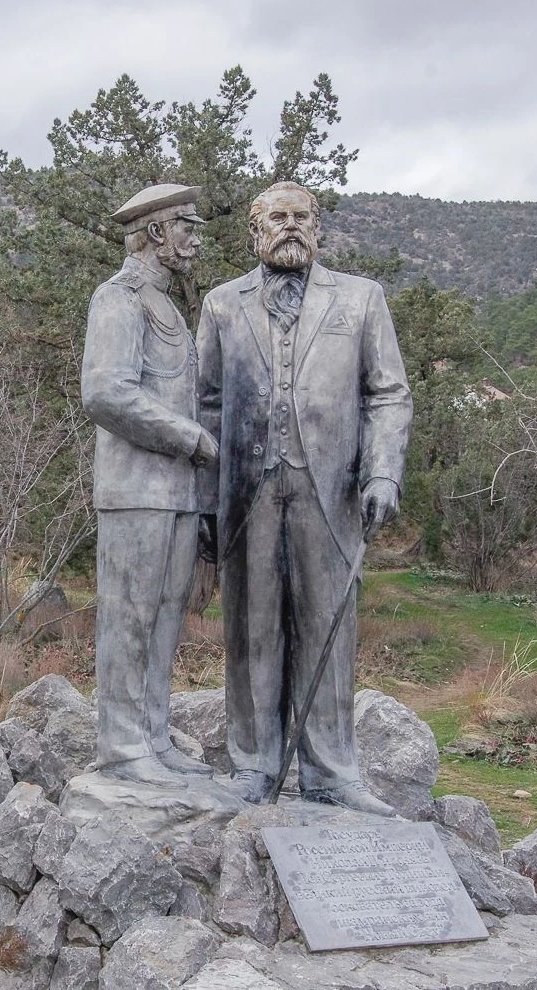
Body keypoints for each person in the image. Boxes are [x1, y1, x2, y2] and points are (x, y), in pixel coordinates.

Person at [196, 180, 412, 815]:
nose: (290, 226)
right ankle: (253, 764)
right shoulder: (221, 305)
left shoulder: (362, 299)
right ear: (255, 231)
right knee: (252, 628)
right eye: (278, 217)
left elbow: (388, 394)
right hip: (247, 492)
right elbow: (204, 404)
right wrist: (205, 496)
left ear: (317, 227)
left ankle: (331, 771)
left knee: (328, 625)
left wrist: (383, 474)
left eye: (301, 216)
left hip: (332, 490)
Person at [82, 183, 219, 789]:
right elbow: (105, 392)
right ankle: (120, 745)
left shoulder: (165, 304)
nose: (195, 237)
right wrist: (188, 437)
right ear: (157, 231)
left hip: (176, 493)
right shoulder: (118, 299)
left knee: (165, 616)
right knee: (129, 617)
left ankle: (153, 737)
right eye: (187, 225)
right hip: (135, 490)